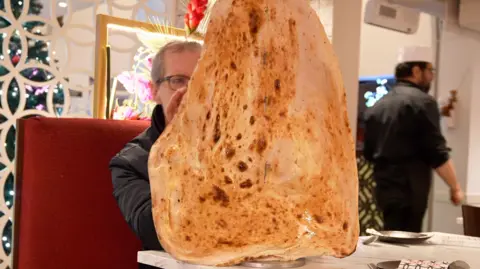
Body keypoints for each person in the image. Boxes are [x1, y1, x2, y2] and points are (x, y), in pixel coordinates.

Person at [109, 41, 202, 268]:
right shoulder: (130, 162)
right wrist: (177, 143)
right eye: (177, 80)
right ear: (154, 92)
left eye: (201, 80)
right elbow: (156, 233)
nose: (189, 92)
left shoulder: (237, 148)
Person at [363, 46, 464, 233]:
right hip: (411, 189)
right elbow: (437, 152)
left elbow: (368, 153)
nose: (431, 76)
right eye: (430, 71)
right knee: (407, 244)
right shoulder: (423, 102)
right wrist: (455, 187)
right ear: (417, 71)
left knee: (390, 237)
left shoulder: (378, 106)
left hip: (384, 189)